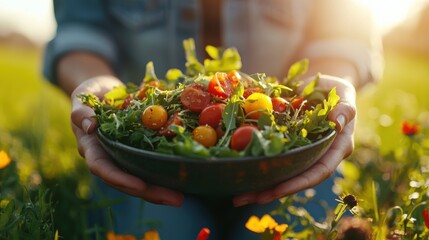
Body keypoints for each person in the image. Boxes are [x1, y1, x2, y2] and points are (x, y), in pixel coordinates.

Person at [43, 0, 383, 239]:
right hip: (144, 165)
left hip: (291, 161)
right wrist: (100, 91)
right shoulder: (164, 119)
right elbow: (79, 35)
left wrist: (324, 92)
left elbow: (342, 35)